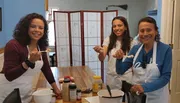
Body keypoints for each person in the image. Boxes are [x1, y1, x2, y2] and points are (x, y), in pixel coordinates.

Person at [0, 13, 61, 102]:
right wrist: (29, 62)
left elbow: (46, 68)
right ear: (26, 28)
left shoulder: (41, 46)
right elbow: (9, 75)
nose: (37, 30)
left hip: (26, 93)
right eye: (33, 26)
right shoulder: (13, 45)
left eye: (41, 28)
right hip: (9, 95)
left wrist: (55, 88)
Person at [116, 17, 172, 103]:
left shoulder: (165, 49)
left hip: (157, 97)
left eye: (149, 30)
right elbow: (120, 70)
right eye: (142, 31)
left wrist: (144, 87)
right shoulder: (135, 49)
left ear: (156, 31)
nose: (145, 34)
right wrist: (119, 59)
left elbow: (165, 77)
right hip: (137, 98)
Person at [93, 16, 134, 89]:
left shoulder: (132, 42)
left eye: (120, 25)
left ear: (125, 27)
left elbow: (133, 62)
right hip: (112, 77)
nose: (117, 28)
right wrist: (100, 52)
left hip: (126, 77)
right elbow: (101, 58)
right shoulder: (108, 40)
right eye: (114, 26)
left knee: (126, 99)